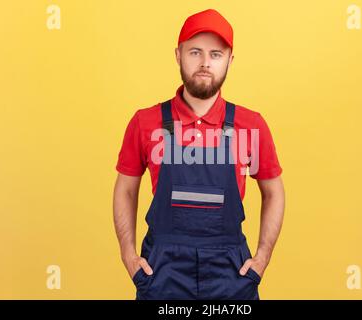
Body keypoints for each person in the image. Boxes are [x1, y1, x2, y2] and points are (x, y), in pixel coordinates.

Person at [113, 8, 285, 300]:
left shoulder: (251, 124)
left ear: (230, 60)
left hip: (231, 272)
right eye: (195, 52)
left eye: (216, 54)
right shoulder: (145, 122)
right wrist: (128, 256)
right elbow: (126, 190)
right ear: (178, 55)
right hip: (162, 271)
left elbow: (274, 192)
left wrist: (262, 258)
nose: (205, 63)